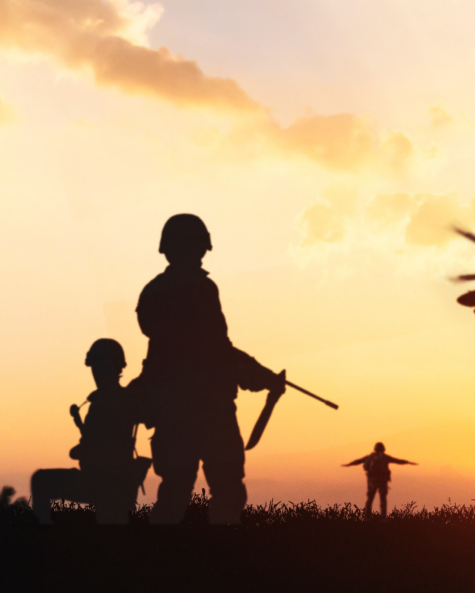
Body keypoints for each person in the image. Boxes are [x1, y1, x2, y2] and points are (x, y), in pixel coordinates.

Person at [136, 214, 285, 525]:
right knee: (222, 490)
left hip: (176, 412)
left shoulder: (154, 292)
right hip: (208, 411)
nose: (197, 254)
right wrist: (260, 377)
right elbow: (216, 349)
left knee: (177, 493)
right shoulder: (201, 290)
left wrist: (259, 376)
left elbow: (210, 349)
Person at [30, 338, 150, 524]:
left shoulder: (112, 401)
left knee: (41, 481)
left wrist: (81, 451)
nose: (95, 372)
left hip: (104, 483)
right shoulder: (117, 399)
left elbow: (105, 445)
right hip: (109, 483)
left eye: (98, 366)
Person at [342, 442, 416, 517]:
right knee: (383, 500)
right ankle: (383, 518)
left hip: (372, 481)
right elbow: (397, 461)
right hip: (382, 481)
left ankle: (367, 516)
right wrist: (408, 462)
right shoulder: (385, 457)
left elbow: (358, 461)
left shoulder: (370, 457)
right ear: (383, 449)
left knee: (370, 499)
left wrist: (349, 464)